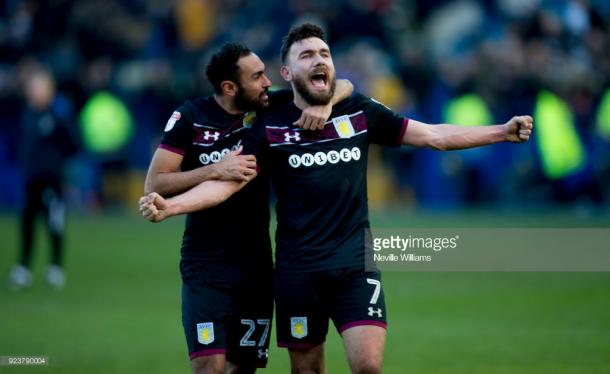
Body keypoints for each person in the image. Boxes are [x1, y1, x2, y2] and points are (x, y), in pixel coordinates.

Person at [139, 24, 533, 374]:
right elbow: (227, 184)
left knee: (368, 365)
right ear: (287, 74)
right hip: (296, 272)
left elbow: (434, 136)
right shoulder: (268, 121)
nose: (319, 60)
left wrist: (500, 131)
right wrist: (172, 206)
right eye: (307, 55)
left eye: (324, 53)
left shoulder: (358, 110)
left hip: (353, 265)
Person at [142, 42, 353, 374]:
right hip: (205, 264)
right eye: (257, 76)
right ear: (230, 87)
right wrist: (214, 170)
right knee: (209, 367)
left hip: (256, 266)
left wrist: (324, 108)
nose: (267, 82)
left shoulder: (272, 107)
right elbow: (155, 183)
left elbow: (344, 86)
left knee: (243, 368)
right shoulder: (191, 117)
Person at [8, 68, 78, 291]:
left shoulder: (58, 118)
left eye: (41, 87)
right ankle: (23, 268)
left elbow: (73, 144)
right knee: (27, 223)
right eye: (33, 87)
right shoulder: (25, 116)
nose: (36, 92)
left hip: (52, 181)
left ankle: (55, 267)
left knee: (54, 223)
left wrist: (54, 163)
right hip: (30, 180)